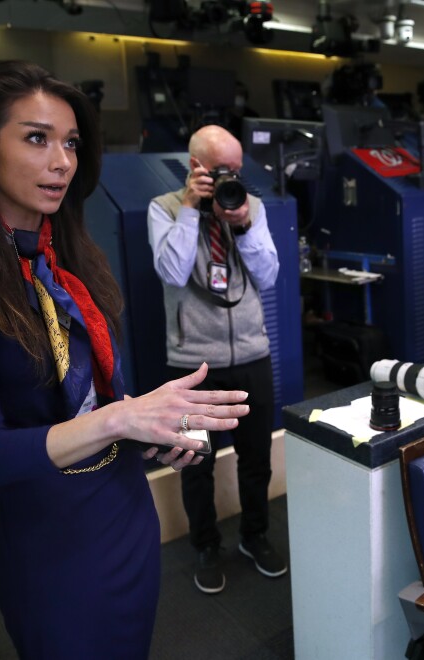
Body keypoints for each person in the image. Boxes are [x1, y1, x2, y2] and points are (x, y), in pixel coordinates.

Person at [0, 60, 250, 659]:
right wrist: (121, 419)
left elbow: (101, 394)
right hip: (49, 540)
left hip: (125, 515)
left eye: (70, 143)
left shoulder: (71, 257)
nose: (61, 161)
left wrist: (151, 427)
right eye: (36, 138)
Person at [148, 124, 287, 594]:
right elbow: (171, 271)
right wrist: (191, 211)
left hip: (251, 354)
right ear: (196, 168)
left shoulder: (253, 208)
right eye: (222, 170)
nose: (232, 178)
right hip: (192, 363)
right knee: (195, 462)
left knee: (256, 458)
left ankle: (255, 536)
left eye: (237, 170)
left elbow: (268, 275)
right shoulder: (164, 208)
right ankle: (206, 546)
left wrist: (243, 224)